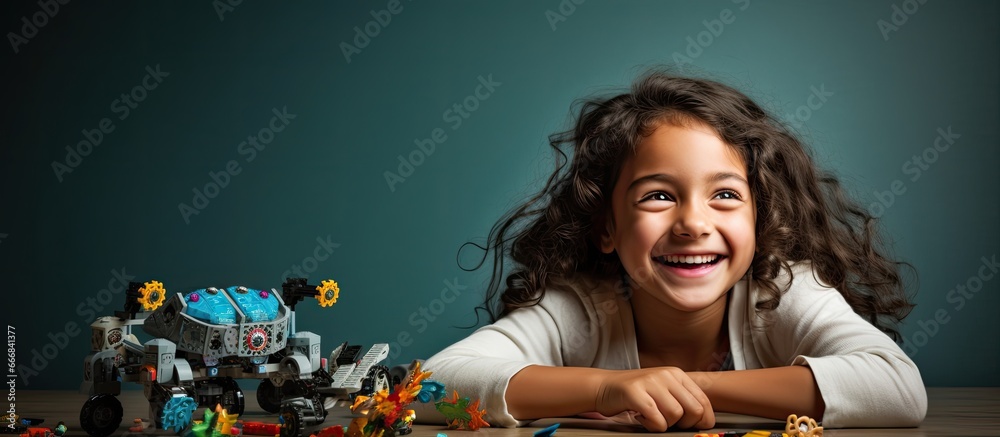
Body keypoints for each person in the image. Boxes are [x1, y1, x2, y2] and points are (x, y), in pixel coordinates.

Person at [418, 71, 926, 431]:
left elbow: (897, 389)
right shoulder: (578, 308)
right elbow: (429, 385)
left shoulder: (783, 290)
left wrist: (684, 387)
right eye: (658, 195)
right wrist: (605, 389)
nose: (693, 224)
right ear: (607, 227)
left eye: (725, 195)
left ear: (760, 219)